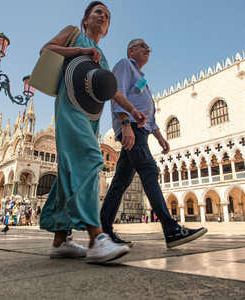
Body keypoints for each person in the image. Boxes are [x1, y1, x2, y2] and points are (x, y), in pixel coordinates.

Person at [39, 2, 147, 263]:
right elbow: (46, 50)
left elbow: (113, 91)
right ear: (85, 20)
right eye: (97, 12)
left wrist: (132, 110)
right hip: (70, 108)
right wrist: (80, 50)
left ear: (107, 29)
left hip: (92, 116)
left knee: (68, 171)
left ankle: (60, 241)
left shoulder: (104, 57)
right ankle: (97, 238)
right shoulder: (73, 34)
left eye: (107, 16)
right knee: (90, 158)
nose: (102, 16)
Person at [99, 38, 207, 248]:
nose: (148, 49)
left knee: (120, 181)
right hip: (132, 129)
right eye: (142, 45)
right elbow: (116, 92)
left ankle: (103, 232)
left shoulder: (142, 79)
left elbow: (147, 110)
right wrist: (126, 123)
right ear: (131, 50)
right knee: (149, 172)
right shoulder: (125, 65)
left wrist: (159, 136)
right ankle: (171, 229)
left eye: (149, 47)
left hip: (141, 131)